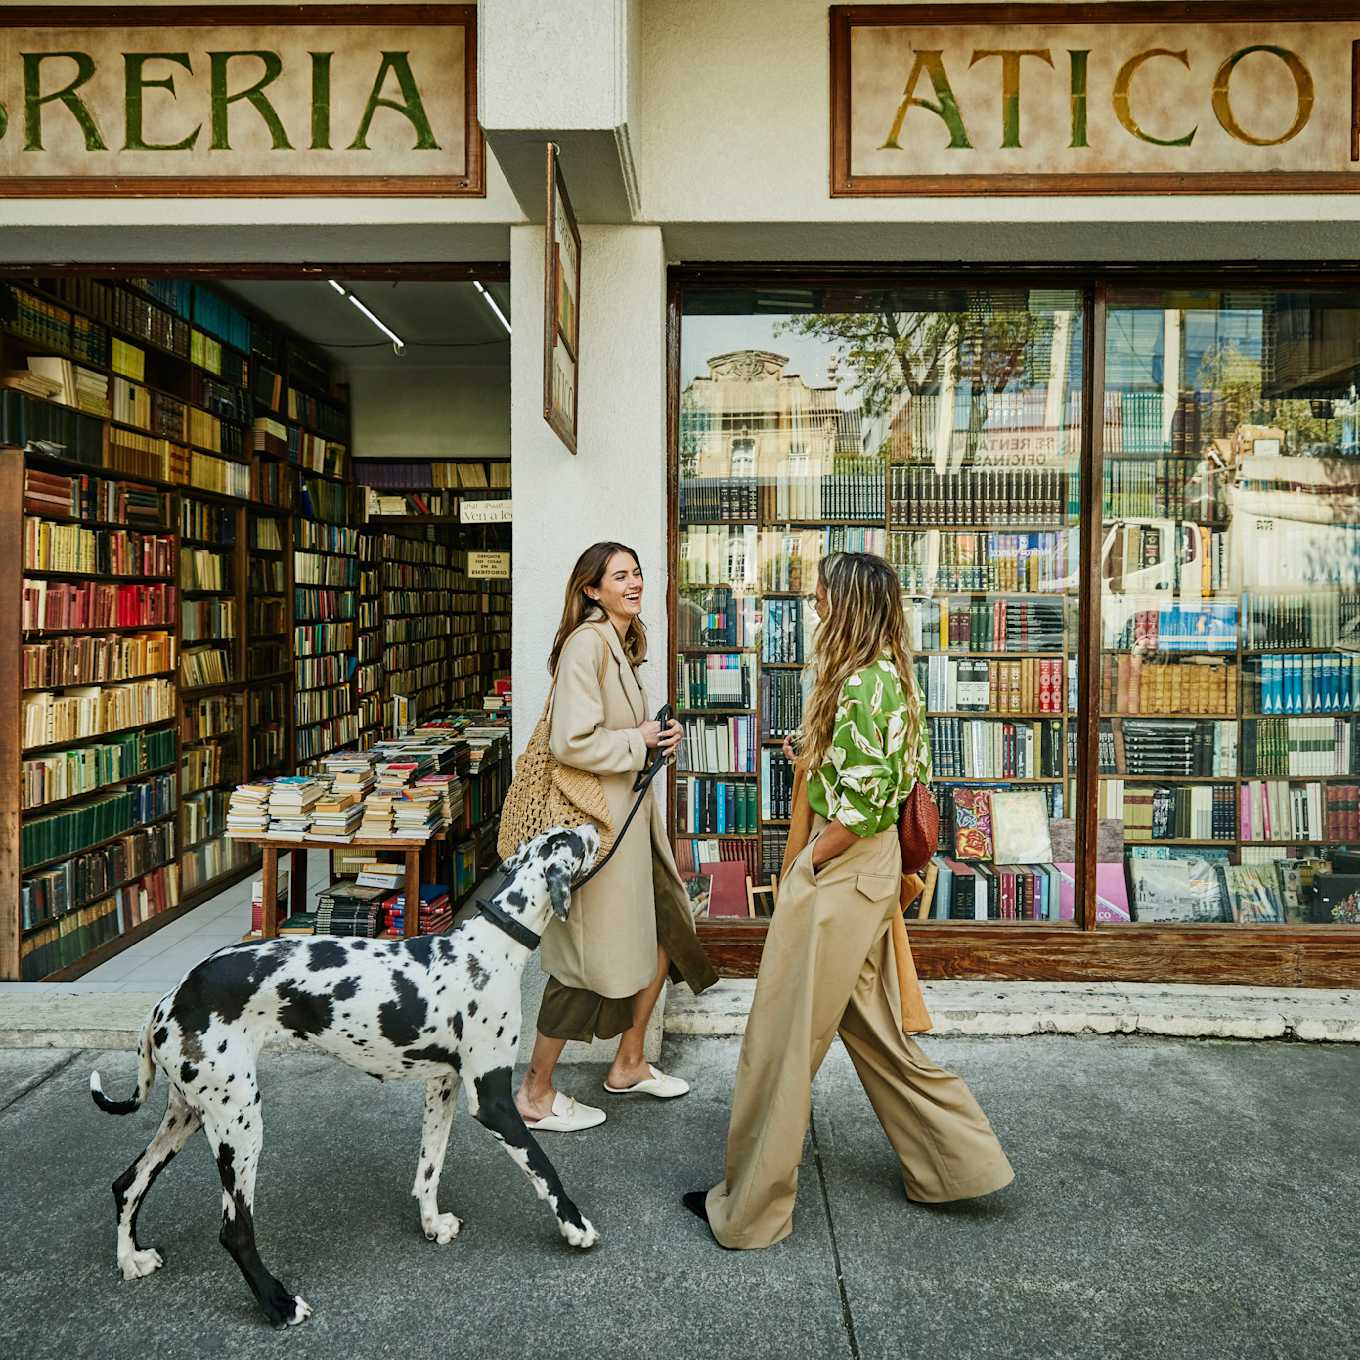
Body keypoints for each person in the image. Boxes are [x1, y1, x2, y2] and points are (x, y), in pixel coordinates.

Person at [686, 551, 1014, 1247]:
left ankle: (751, 1213)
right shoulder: (892, 676)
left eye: (823, 598)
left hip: (843, 872)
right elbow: (884, 780)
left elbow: (863, 807)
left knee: (782, 1040)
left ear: (849, 606)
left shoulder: (865, 684)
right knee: (877, 1034)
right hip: (869, 872)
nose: (815, 609)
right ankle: (959, 1164)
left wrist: (809, 861)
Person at [514, 541, 719, 1133]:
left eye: (637, 574)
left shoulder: (620, 646)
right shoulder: (587, 645)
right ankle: (535, 1090)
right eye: (619, 576)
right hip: (601, 830)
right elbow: (570, 743)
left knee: (669, 927)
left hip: (631, 827)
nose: (634, 583)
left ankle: (629, 1061)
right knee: (584, 961)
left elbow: (625, 733)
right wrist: (642, 742)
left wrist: (657, 737)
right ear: (591, 589)